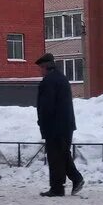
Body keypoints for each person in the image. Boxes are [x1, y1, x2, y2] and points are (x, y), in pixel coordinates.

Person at [35, 53, 84, 197]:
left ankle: (58, 188)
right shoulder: (61, 78)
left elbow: (46, 106)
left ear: (45, 67)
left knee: (55, 156)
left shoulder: (48, 81)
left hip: (54, 126)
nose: (40, 71)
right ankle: (75, 180)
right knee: (62, 154)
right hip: (66, 124)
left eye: (40, 68)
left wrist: (43, 123)